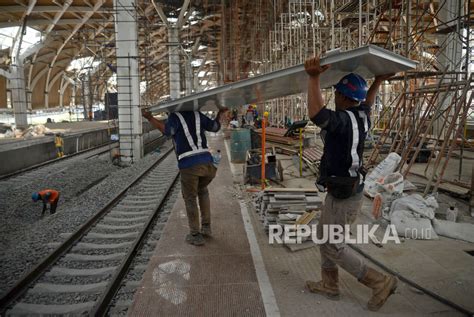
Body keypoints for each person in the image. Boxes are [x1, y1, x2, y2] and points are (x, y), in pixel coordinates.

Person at [304, 56, 396, 312]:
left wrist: (313, 78)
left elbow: (317, 115)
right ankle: (329, 284)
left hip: (344, 194)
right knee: (325, 238)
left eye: (336, 94)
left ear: (344, 97)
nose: (334, 98)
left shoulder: (343, 121)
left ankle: (379, 281)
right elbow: (369, 102)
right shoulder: (361, 115)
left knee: (333, 245)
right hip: (346, 189)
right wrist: (377, 80)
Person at [142, 108, 228, 246]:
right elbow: (215, 127)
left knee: (190, 198)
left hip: (189, 165)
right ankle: (206, 227)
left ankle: (195, 234)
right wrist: (220, 113)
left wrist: (150, 118)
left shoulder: (174, 116)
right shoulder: (197, 114)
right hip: (207, 163)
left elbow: (167, 132)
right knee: (203, 191)